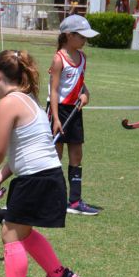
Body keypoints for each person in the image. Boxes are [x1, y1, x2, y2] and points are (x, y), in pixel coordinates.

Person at [0, 49, 81, 277]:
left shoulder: (9, 102)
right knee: (22, 231)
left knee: (10, 231)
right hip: (47, 176)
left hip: (35, 179)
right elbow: (20, 152)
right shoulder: (29, 100)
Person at [49, 15, 99, 216]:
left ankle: (75, 201)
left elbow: (80, 83)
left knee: (76, 155)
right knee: (56, 156)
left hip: (75, 111)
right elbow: (53, 90)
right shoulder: (58, 59)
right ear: (69, 36)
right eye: (81, 36)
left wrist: (86, 94)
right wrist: (55, 118)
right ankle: (52, 198)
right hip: (58, 110)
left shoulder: (83, 57)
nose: (85, 40)